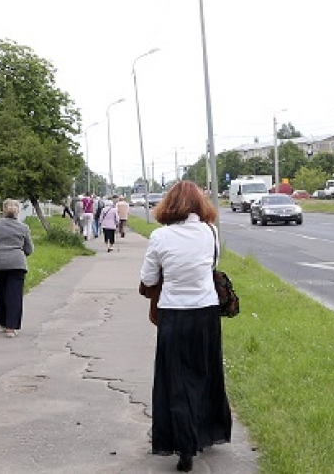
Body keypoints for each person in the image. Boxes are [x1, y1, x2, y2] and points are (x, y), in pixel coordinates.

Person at [139, 180, 231, 472]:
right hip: (205, 313)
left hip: (173, 315)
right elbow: (213, 264)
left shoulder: (159, 237)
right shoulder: (210, 232)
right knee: (204, 374)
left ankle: (183, 446)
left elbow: (149, 280)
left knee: (176, 380)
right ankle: (204, 434)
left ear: (169, 204)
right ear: (200, 204)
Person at [0, 199, 34, 338]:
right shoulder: (24, 227)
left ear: (3, 210)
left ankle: (3, 321)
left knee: (2, 292)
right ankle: (11, 326)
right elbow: (29, 248)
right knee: (14, 295)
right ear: (18, 210)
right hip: (17, 264)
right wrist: (20, 254)